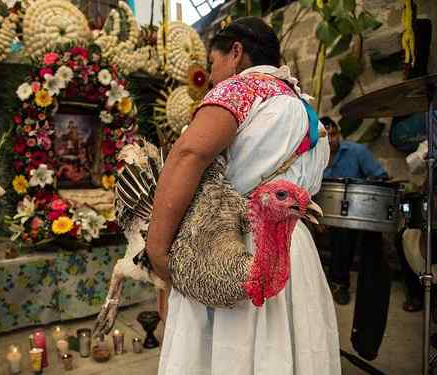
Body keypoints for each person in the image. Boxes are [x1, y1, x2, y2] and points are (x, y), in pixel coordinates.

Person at [145, 17, 340, 375]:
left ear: (236, 52)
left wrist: (157, 251)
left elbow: (189, 155)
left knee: (223, 357)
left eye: (213, 63)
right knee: (286, 350)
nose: (213, 75)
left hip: (229, 249)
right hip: (291, 252)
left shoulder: (239, 91)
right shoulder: (307, 113)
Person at [321, 116, 388, 305]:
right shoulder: (314, 156)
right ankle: (333, 282)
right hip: (322, 212)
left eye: (334, 135)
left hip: (354, 213)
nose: (331, 140)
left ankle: (352, 284)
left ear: (338, 133)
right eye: (326, 137)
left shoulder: (357, 151)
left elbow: (380, 176)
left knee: (351, 232)